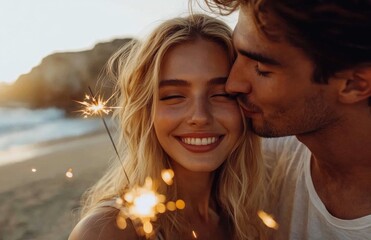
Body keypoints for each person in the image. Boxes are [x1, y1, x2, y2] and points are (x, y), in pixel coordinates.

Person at [68, 14, 268, 240]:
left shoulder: (251, 216)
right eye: (174, 96)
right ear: (145, 111)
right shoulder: (108, 231)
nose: (200, 116)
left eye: (221, 94)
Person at [196, 0, 371, 239]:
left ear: (355, 84)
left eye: (261, 68)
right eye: (237, 55)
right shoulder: (253, 164)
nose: (232, 84)